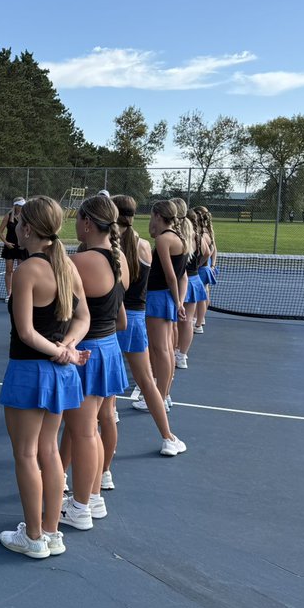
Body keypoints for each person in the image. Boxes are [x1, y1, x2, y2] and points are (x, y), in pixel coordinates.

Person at [0, 194, 90, 559]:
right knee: (49, 452)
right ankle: (51, 533)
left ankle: (34, 537)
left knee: (25, 455)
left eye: (19, 223)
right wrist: (67, 348)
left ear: (29, 228)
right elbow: (82, 318)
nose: (15, 229)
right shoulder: (66, 265)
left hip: (30, 372)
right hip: (59, 374)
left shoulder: (27, 272)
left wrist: (60, 349)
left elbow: (26, 333)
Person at [60, 194, 128, 530]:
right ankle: (93, 497)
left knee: (84, 432)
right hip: (108, 347)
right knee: (91, 429)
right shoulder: (119, 259)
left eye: (77, 219)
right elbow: (119, 316)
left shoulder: (81, 262)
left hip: (88, 352)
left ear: (87, 223)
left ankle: (80, 507)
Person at [112, 195, 186, 458]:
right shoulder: (144, 245)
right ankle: (168, 437)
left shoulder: (110, 244)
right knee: (146, 380)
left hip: (113, 320)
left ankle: (103, 465)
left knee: (107, 386)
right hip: (135, 319)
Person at [138, 200, 187, 417]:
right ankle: (163, 395)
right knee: (164, 348)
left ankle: (160, 397)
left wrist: (177, 303)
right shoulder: (180, 238)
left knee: (160, 350)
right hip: (165, 297)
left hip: (159, 297)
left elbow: (170, 275)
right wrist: (177, 301)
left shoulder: (164, 239)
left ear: (158, 215)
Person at [175, 209, 210, 371]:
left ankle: (176, 351)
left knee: (175, 322)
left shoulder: (179, 239)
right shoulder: (199, 237)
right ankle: (182, 355)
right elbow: (207, 253)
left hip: (184, 280)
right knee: (187, 321)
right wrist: (198, 264)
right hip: (194, 279)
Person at [0, 199, 28, 298]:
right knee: (9, 270)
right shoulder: (8, 216)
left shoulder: (25, 217)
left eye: (22, 206)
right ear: (15, 206)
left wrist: (24, 243)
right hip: (10, 247)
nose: (21, 207)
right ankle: (9, 294)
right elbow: (0, 232)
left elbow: (29, 232)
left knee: (21, 271)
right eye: (19, 205)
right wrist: (6, 243)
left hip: (21, 247)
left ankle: (19, 293)